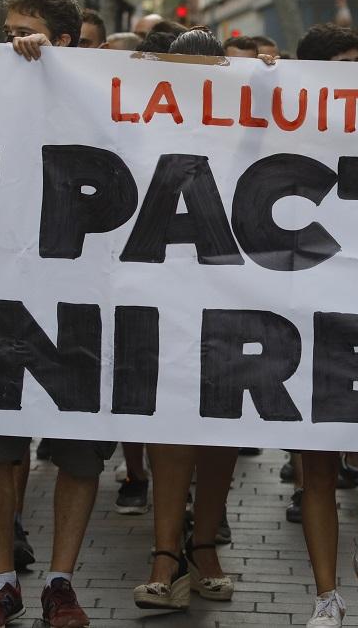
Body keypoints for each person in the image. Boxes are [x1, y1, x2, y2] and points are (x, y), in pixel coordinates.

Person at [0, 0, 113, 628]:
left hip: (83, 297)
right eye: (6, 31)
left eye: (22, 31)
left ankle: (60, 583)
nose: (11, 43)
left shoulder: (104, 88)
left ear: (69, 40)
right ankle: (1, 581)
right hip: (3, 289)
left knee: (78, 450)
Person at [291, 22, 358, 628]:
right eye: (342, 62)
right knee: (318, 470)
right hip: (305, 317)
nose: (356, 70)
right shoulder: (283, 126)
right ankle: (325, 594)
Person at [132, 35, 243, 616]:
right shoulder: (144, 112)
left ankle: (202, 546)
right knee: (171, 421)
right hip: (165, 290)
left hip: (230, 289)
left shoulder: (248, 116)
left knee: (218, 425)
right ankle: (165, 556)